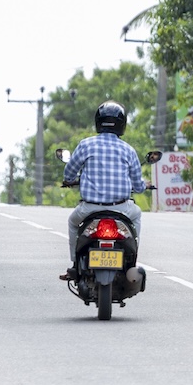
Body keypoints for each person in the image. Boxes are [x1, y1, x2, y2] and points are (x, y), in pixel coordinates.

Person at [61, 100, 145, 264]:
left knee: (72, 223)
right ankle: (132, 260)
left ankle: (74, 263)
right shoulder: (129, 150)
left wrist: (69, 180)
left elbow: (69, 173)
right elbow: (138, 186)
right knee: (137, 215)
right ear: (122, 125)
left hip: (89, 209)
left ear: (98, 123)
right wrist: (143, 185)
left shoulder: (85, 145)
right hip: (122, 209)